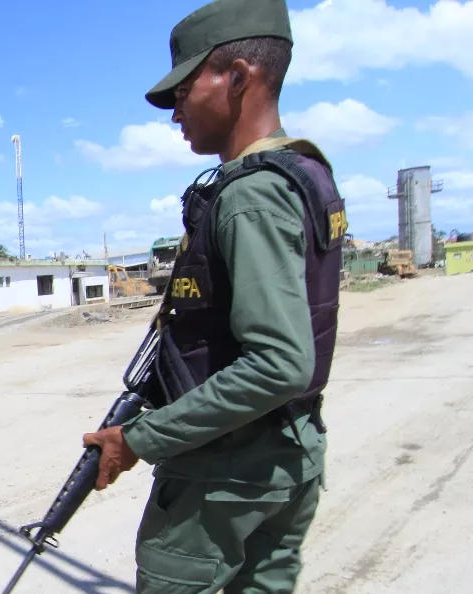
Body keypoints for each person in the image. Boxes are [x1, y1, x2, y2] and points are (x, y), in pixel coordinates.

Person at [82, 0, 347, 591]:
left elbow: (281, 361)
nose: (175, 110)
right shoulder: (305, 173)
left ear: (238, 77)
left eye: (184, 87)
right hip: (287, 452)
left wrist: (139, 440)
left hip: (227, 472)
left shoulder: (249, 196)